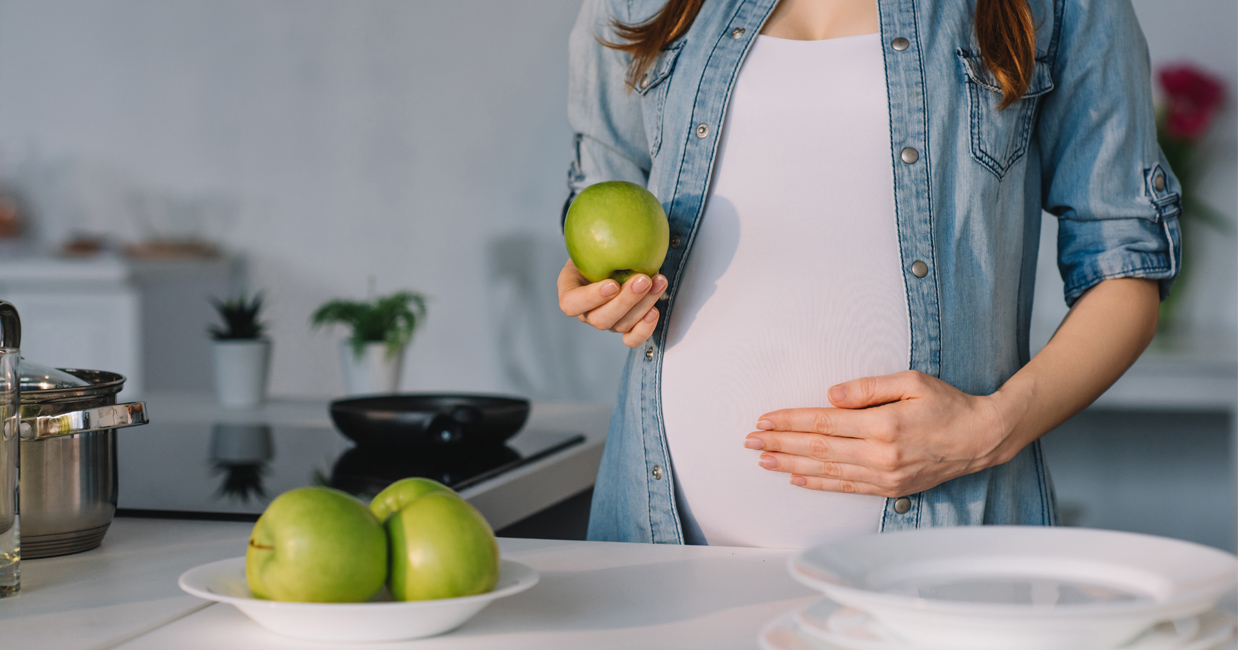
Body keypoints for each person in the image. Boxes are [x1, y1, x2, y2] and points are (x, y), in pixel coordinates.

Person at [557, 0, 1180, 547]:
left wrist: (989, 430)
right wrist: (602, 292)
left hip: (937, 564)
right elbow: (606, 193)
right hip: (661, 544)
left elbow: (1126, 265)